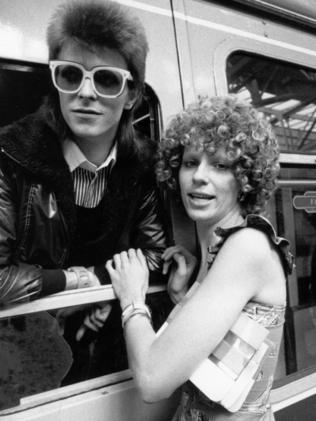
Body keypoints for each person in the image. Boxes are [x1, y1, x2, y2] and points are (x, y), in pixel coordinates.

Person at [0, 0, 168, 396]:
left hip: (107, 359)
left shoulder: (141, 168)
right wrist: (81, 282)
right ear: (55, 81)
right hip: (19, 356)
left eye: (106, 79)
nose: (85, 93)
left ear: (131, 95)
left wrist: (109, 293)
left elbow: (157, 256)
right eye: (70, 75)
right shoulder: (11, 157)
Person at [106, 96, 293, 421]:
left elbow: (153, 381)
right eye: (190, 162)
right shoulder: (219, 252)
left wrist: (133, 300)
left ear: (245, 179)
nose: (199, 176)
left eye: (220, 165)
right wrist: (183, 295)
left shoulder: (247, 247)